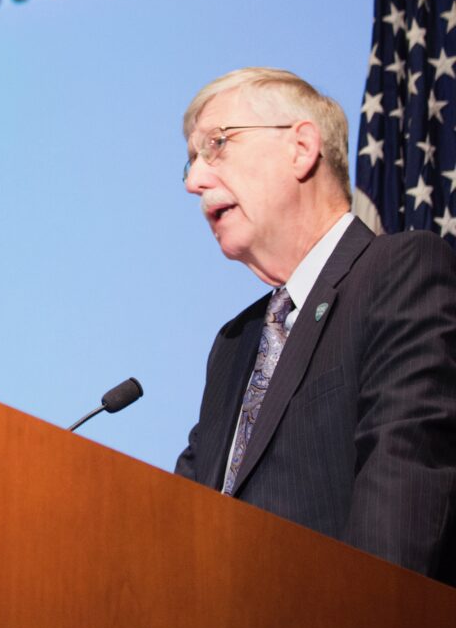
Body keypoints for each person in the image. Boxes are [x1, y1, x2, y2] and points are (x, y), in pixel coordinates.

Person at [174, 67, 456, 585]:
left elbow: (404, 474)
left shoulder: (400, 271)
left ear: (301, 147)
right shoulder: (234, 344)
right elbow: (186, 515)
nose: (195, 181)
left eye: (215, 145)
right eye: (190, 161)